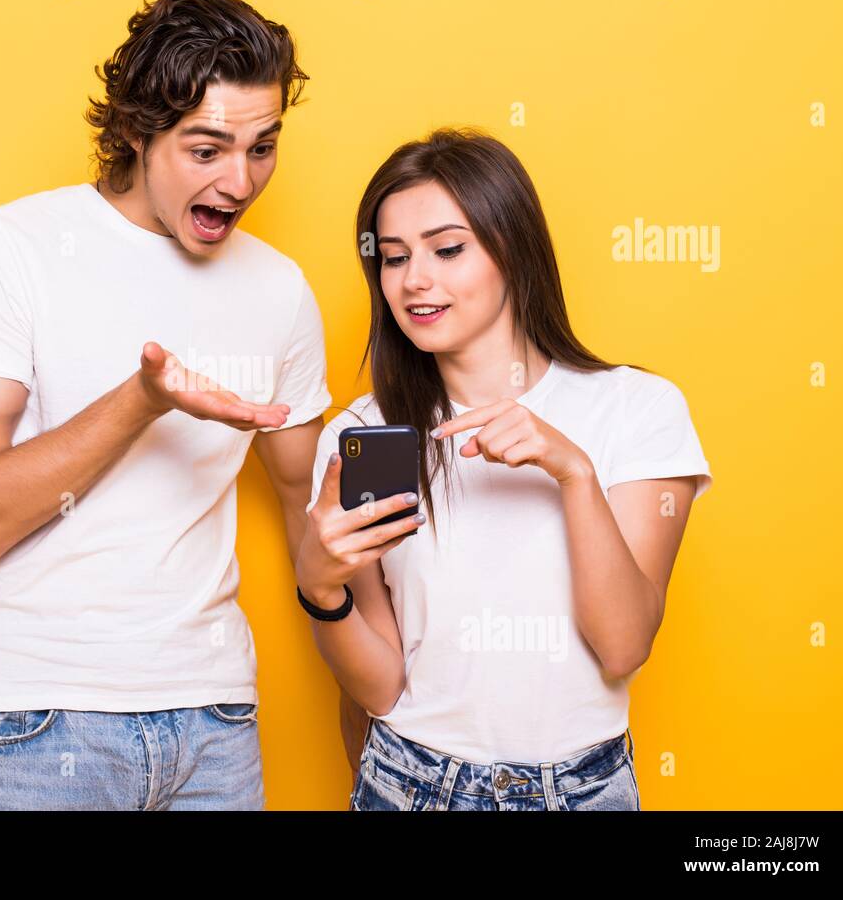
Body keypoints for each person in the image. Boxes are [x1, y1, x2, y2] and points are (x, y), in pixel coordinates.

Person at [0, 0, 330, 810]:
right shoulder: (6, 250)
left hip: (215, 721)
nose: (241, 180)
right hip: (38, 721)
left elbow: (311, 506)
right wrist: (142, 401)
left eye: (263, 147)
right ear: (139, 131)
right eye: (207, 149)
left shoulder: (280, 290)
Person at [295, 127, 712, 810]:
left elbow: (623, 645)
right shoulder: (367, 434)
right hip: (411, 783)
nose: (414, 280)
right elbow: (380, 688)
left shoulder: (636, 408)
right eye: (393, 259)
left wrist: (572, 472)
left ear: (513, 249)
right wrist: (320, 587)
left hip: (583, 791)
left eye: (447, 249)